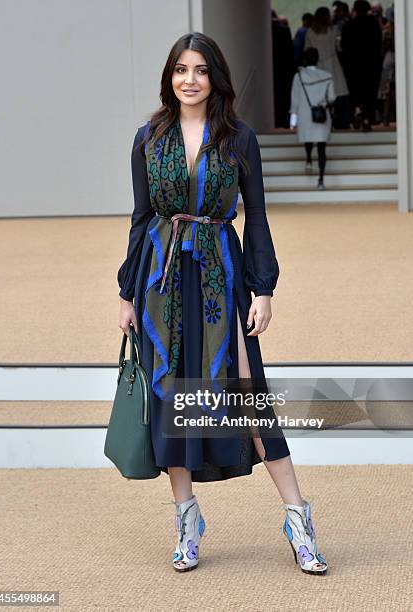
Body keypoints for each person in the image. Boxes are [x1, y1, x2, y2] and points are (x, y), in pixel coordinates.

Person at [117, 32, 328, 575]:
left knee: (246, 393)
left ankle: (298, 519)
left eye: (201, 70)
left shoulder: (239, 139)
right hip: (160, 281)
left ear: (216, 79)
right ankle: (186, 520)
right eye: (181, 69)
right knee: (170, 400)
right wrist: (126, 293)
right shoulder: (147, 138)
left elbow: (255, 216)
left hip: (221, 274)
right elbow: (141, 220)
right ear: (170, 76)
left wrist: (264, 288)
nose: (190, 79)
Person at [290, 47, 337, 190]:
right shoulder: (327, 76)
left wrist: (293, 119)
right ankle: (321, 180)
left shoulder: (299, 76)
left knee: (308, 139)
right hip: (321, 114)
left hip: (305, 114)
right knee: (322, 148)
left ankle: (309, 159)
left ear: (304, 60)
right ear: (317, 59)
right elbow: (332, 97)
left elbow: (295, 98)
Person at [304, 6, 350, 129]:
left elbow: (307, 49)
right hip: (333, 64)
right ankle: (342, 122)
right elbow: (339, 47)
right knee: (339, 94)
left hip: (318, 65)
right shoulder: (333, 30)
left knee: (320, 96)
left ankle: (321, 123)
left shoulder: (310, 32)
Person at [341, 0, 383, 131]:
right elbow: (378, 44)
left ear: (355, 9)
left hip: (353, 65)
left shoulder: (349, 25)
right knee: (369, 92)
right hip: (371, 65)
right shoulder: (374, 25)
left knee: (355, 91)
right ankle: (366, 118)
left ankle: (357, 110)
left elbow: (344, 46)